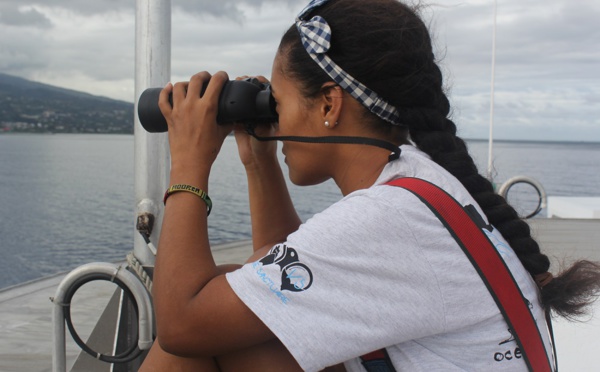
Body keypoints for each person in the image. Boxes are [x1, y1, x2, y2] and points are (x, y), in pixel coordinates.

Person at [139, 0, 600, 371]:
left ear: (328, 104)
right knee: (238, 295)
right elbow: (281, 268)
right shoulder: (416, 182)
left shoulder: (386, 220)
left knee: (195, 338)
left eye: (277, 104)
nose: (274, 122)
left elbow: (181, 324)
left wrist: (189, 163)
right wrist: (259, 161)